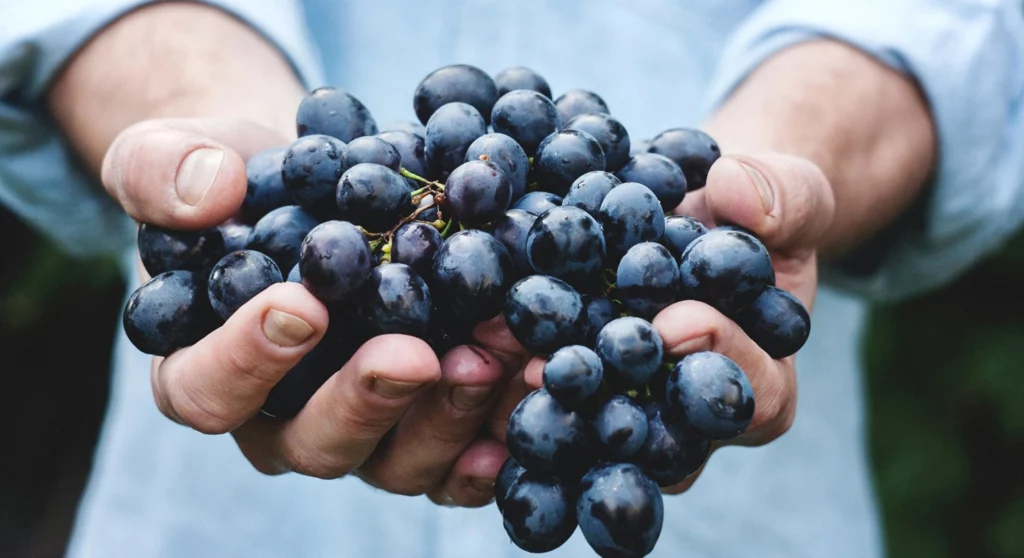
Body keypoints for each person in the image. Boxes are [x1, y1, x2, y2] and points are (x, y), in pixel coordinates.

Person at [3, 0, 1023, 556]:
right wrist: (197, 113)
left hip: (721, 452)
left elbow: (961, 27)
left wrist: (782, 162)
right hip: (223, 507)